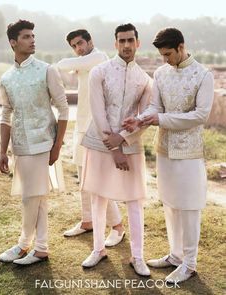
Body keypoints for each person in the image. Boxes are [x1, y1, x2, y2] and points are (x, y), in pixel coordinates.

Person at [122, 27, 214, 283]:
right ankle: (175, 255)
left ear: (181, 47)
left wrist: (160, 119)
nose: (165, 60)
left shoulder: (203, 75)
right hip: (164, 149)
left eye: (168, 54)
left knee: (189, 207)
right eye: (162, 55)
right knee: (171, 203)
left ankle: (190, 263)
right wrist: (139, 120)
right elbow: (155, 107)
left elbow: (200, 116)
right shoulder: (161, 73)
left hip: (189, 151)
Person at [80, 23, 152, 276]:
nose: (126, 45)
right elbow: (97, 112)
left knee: (134, 200)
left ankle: (138, 256)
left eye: (130, 40)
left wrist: (122, 139)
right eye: (121, 41)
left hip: (129, 144)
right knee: (98, 197)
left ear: (137, 43)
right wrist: (113, 147)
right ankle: (98, 249)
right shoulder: (98, 72)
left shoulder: (145, 80)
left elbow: (143, 118)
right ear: (115, 43)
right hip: (99, 142)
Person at [0, 20, 69, 265]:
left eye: (33, 36)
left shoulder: (46, 70)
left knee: (31, 197)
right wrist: (2, 152)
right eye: (26, 36)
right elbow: (6, 115)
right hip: (20, 146)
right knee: (37, 197)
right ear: (13, 43)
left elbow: (63, 108)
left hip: (43, 142)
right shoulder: (6, 77)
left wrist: (57, 146)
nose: (32, 40)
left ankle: (22, 244)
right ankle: (40, 248)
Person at [57, 29, 124, 246]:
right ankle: (88, 221)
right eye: (74, 46)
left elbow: (61, 66)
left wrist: (77, 63)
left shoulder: (98, 57)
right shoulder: (84, 62)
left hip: (97, 128)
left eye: (80, 43)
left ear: (90, 41)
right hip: (81, 125)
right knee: (83, 178)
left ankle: (117, 226)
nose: (78, 48)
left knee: (98, 179)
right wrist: (78, 65)